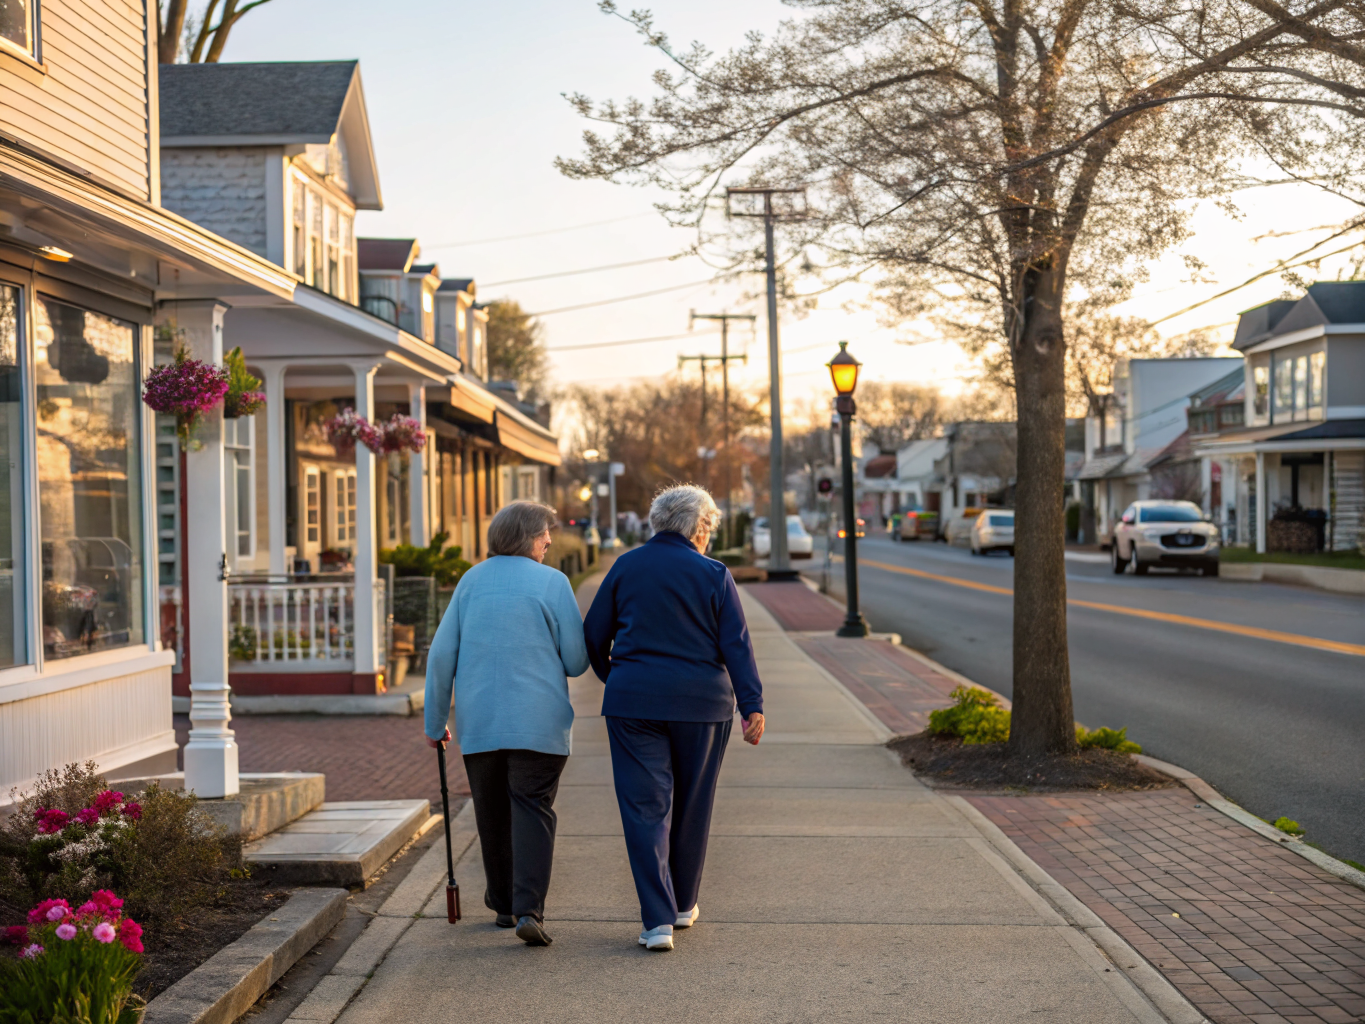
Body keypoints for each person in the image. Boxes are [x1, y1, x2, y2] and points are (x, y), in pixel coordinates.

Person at [583, 484, 765, 952]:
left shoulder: (625, 566)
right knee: (692, 803)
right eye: (708, 528)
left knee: (646, 809)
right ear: (699, 528)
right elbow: (737, 646)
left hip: (633, 703)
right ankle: (684, 903)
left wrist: (618, 677)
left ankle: (657, 921)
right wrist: (752, 705)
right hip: (702, 706)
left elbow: (593, 635)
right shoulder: (713, 573)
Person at [424, 500, 589, 947]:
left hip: (480, 722)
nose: (550, 543)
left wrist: (435, 721)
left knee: (492, 811)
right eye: (543, 536)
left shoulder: (470, 582)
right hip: (540, 724)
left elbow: (441, 656)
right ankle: (528, 908)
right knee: (533, 808)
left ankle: (502, 903)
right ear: (525, 537)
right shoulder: (554, 584)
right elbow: (576, 662)